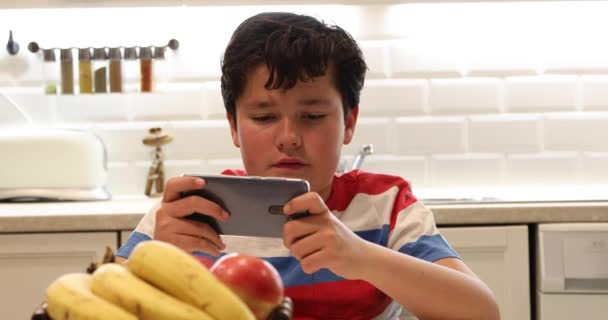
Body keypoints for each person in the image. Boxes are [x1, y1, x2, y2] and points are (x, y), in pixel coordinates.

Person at [116, 12, 500, 320]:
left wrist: (359, 256)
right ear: (234, 127)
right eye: (264, 118)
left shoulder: (386, 206)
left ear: (348, 123)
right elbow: (98, 299)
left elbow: (482, 311)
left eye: (313, 116)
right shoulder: (192, 211)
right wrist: (153, 257)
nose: (288, 137)